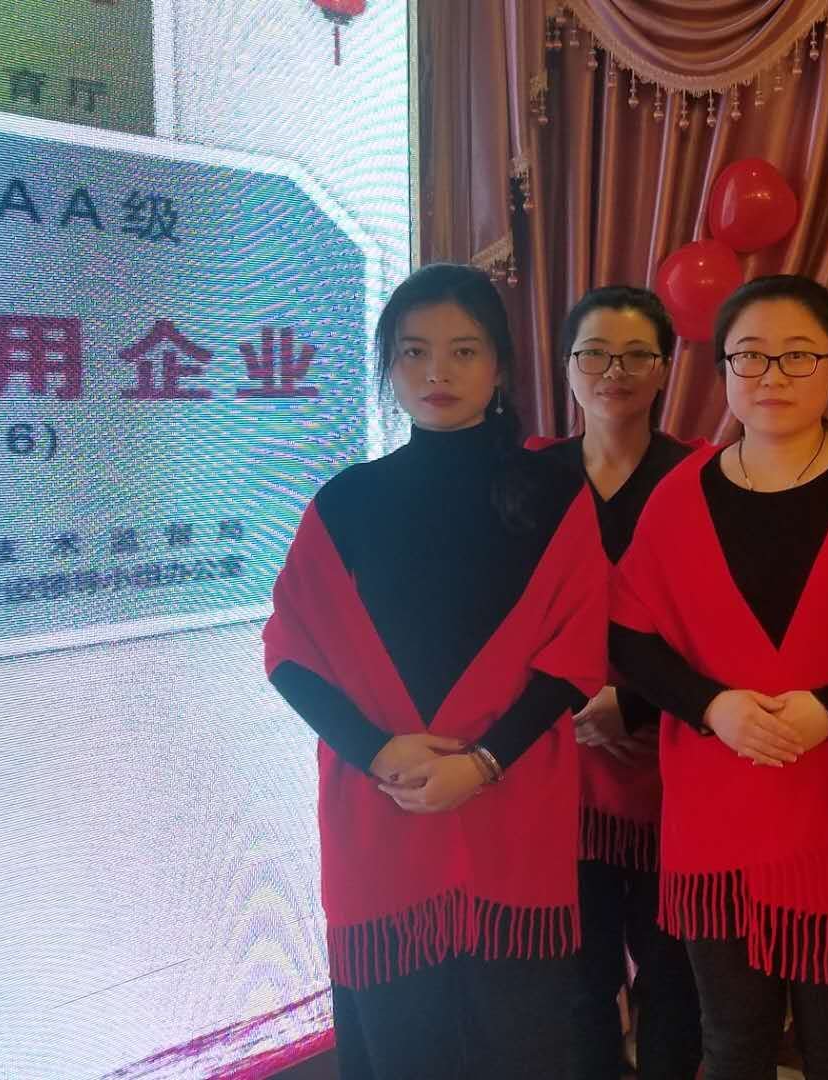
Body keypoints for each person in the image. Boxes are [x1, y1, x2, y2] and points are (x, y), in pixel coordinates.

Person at [264, 263, 606, 1078]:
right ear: (389, 366)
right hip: (382, 812)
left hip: (513, 805)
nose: (436, 372)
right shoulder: (347, 501)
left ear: (499, 366)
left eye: (463, 350)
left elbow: (576, 656)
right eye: (414, 352)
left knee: (518, 1046)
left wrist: (482, 764)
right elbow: (290, 652)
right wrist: (378, 752)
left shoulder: (554, 493)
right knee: (401, 1047)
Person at [608, 275, 828, 1080]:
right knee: (734, 1041)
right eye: (749, 356)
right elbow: (632, 633)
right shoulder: (680, 496)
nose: (771, 376)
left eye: (798, 356)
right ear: (722, 369)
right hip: (718, 807)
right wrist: (711, 707)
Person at [532, 286, 703, 1080]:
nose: (614, 371)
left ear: (666, 368)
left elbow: (721, 625)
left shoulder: (701, 477)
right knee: (577, 977)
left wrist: (632, 703)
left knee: (674, 971)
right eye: (595, 353)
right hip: (555, 765)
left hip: (674, 758)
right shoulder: (529, 477)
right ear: (567, 365)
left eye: (637, 356)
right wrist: (570, 703)